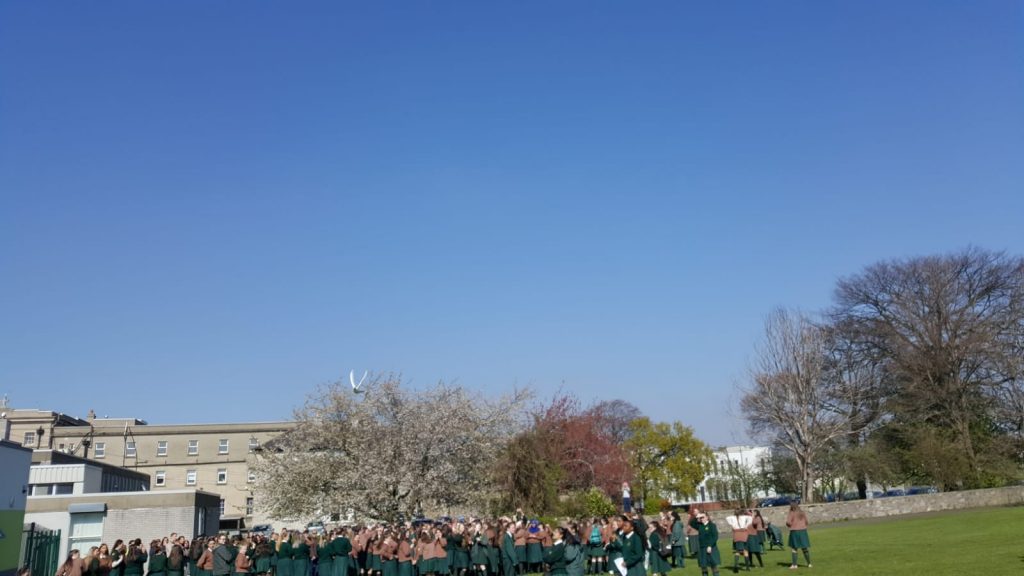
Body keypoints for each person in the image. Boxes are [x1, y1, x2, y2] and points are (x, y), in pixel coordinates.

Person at [785, 504, 811, 569]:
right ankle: (809, 564)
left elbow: (788, 522)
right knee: (804, 548)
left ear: (792, 507)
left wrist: (790, 525)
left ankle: (794, 565)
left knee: (794, 548)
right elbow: (807, 522)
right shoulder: (802, 512)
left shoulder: (792, 512)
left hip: (795, 531)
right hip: (803, 531)